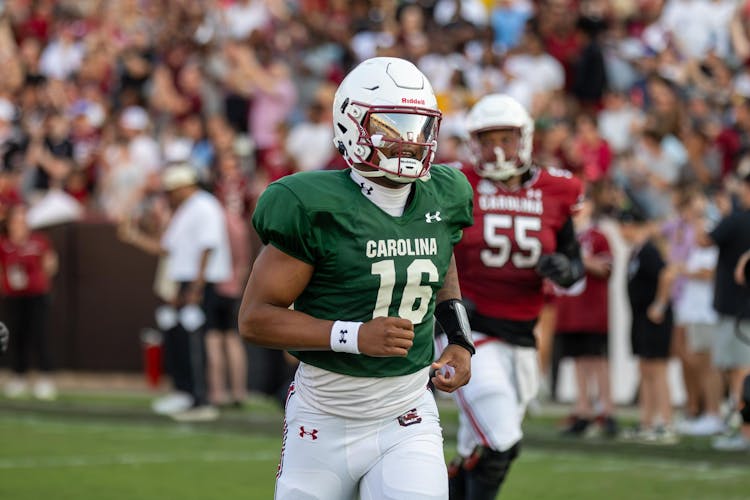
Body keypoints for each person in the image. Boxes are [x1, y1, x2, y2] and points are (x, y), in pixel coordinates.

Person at [238, 57, 475, 500]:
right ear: (351, 124)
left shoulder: (445, 193)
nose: (409, 141)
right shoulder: (313, 204)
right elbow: (255, 319)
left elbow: (441, 260)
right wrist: (354, 336)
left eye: (418, 127)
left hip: (408, 413)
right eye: (393, 126)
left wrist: (460, 339)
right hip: (323, 417)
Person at [441, 94, 584, 500]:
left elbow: (574, 265)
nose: (498, 149)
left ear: (525, 138)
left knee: (478, 446)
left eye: (506, 138)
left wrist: (565, 269)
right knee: (501, 442)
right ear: (473, 143)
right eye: (487, 140)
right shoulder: (455, 183)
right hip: (468, 331)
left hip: (523, 335)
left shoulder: (559, 188)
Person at [119, 163, 231, 422]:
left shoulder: (204, 206)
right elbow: (167, 249)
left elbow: (208, 246)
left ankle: (201, 400)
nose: (169, 195)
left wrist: (196, 287)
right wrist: (133, 236)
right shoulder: (186, 210)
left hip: (198, 283)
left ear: (184, 187)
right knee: (178, 337)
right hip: (183, 281)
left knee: (193, 340)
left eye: (171, 190)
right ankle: (184, 393)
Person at [555, 192, 617, 438]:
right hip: (570, 309)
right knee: (578, 360)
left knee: (597, 359)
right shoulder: (565, 236)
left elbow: (605, 268)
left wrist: (580, 258)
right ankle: (583, 408)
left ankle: (606, 409)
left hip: (592, 309)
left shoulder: (598, 236)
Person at [618, 204, 677, 444]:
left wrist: (660, 304)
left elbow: (667, 274)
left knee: (657, 370)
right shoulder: (637, 251)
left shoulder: (649, 251)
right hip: (641, 318)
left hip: (654, 319)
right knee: (645, 370)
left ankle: (666, 422)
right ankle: (647, 422)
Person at [0, 203, 58, 400]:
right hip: (14, 296)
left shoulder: (39, 241)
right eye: (16, 220)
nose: (20, 224)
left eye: (23, 220)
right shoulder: (4, 244)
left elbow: (51, 264)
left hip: (37, 295)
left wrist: (44, 273)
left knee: (39, 334)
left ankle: (45, 377)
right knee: (16, 336)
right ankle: (19, 375)